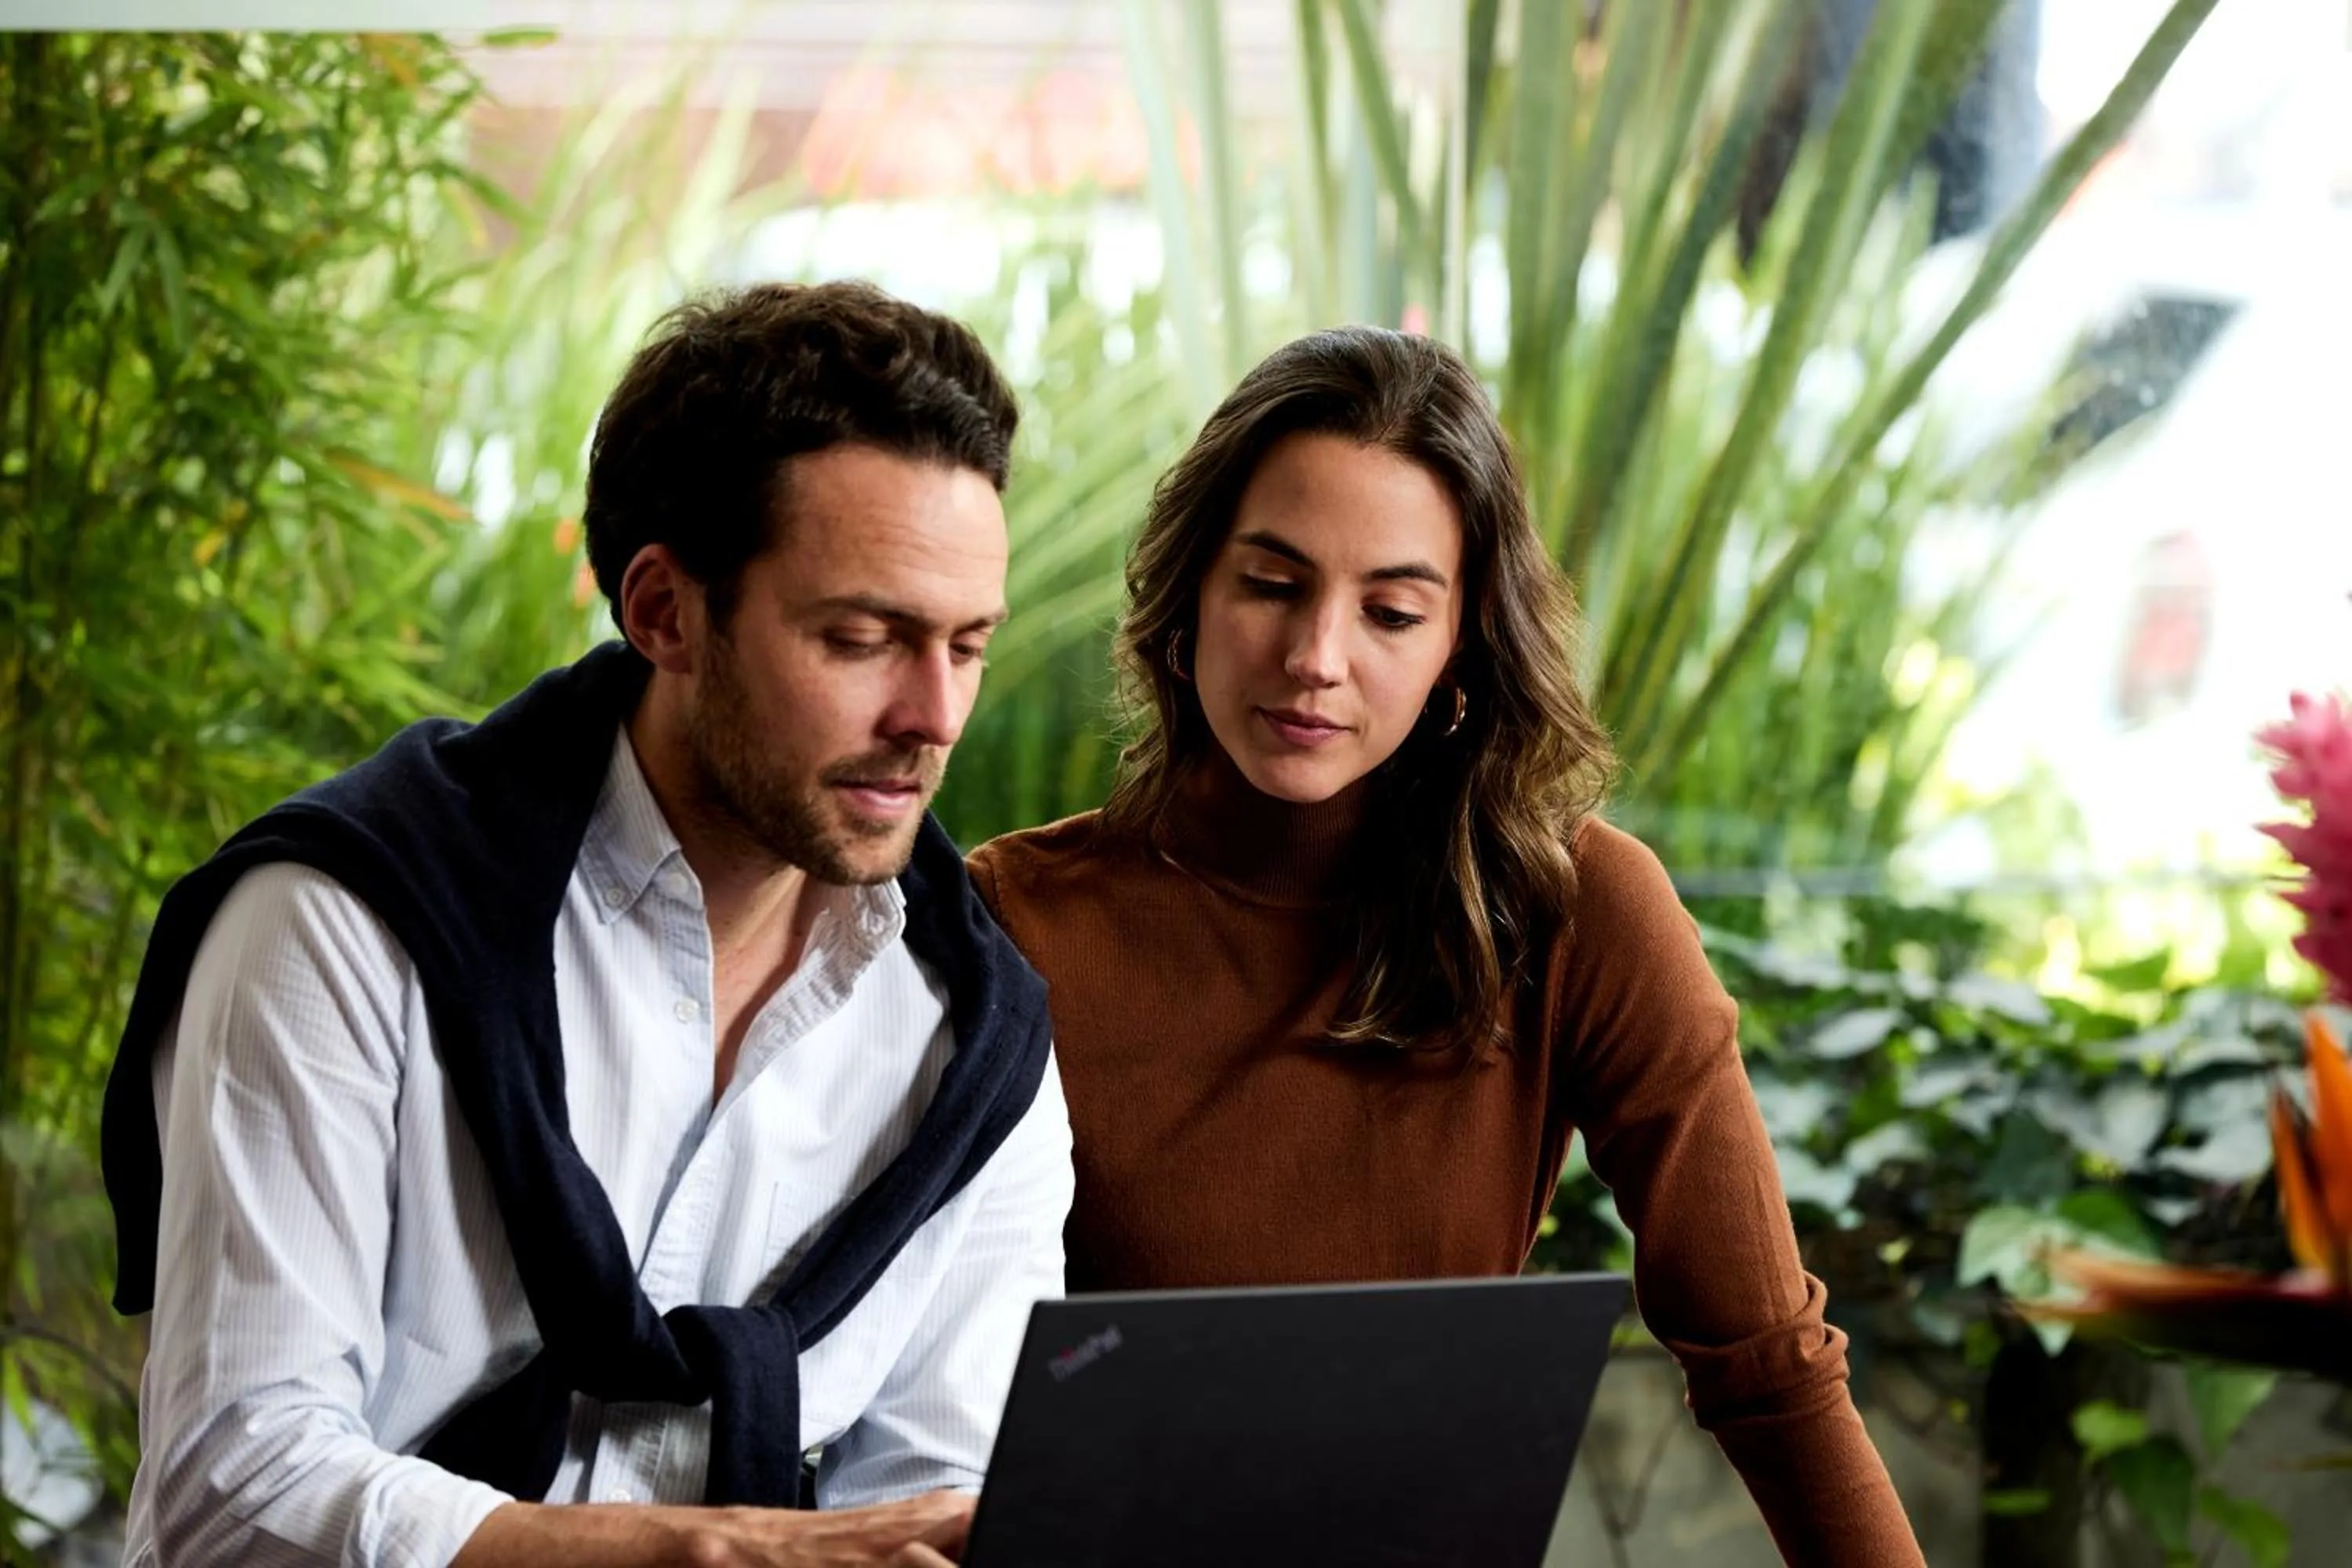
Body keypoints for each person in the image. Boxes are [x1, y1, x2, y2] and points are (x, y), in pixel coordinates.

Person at [100, 281, 1074, 1568]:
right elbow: (231, 1494)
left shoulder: (972, 1038)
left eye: (969, 644)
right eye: (861, 638)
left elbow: (940, 1502)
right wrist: (710, 1554)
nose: (933, 714)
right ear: (663, 610)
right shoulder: (342, 929)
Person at [967, 326, 1926, 1566]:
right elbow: (913, 1395)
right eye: (1271, 584)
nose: (1317, 657)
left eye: (1392, 610)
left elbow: (1770, 1367)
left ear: (1461, 646)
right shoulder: (1015, 922)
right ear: (1188, 590)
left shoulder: (1578, 911)